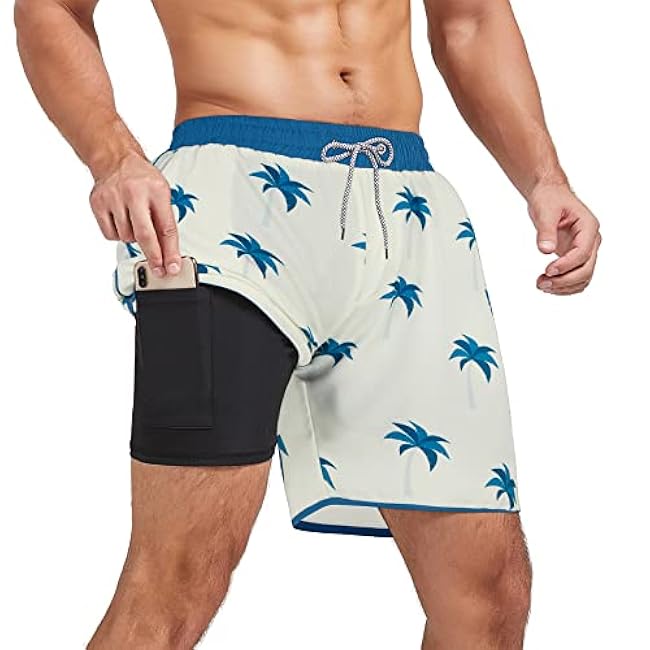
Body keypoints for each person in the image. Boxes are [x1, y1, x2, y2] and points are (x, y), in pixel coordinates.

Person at [15, 0, 601, 648]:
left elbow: (471, 20)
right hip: (228, 207)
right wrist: (113, 157)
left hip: (405, 209)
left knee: (490, 592)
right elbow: (51, 8)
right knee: (180, 578)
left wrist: (544, 178)